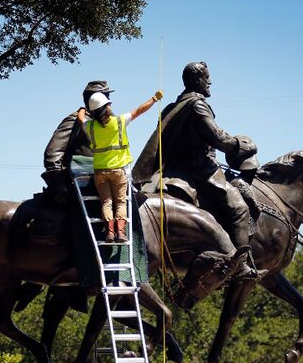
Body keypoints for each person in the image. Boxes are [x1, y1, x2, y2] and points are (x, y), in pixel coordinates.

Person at [132, 61, 263, 281]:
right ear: (196, 80)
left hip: (177, 165)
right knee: (239, 207)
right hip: (200, 168)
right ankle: (239, 265)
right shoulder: (196, 105)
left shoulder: (175, 104)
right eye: (206, 77)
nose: (210, 81)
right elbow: (218, 138)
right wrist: (243, 146)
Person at [77, 88, 163, 242]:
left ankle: (110, 233)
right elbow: (139, 110)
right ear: (107, 107)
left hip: (100, 173)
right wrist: (154, 99)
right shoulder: (119, 121)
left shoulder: (90, 126)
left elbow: (80, 118)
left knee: (106, 202)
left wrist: (82, 109)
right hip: (118, 171)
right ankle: (121, 232)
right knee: (121, 202)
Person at [41, 81, 114, 203]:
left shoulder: (104, 123)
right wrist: (58, 184)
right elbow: (53, 153)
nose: (109, 102)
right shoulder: (75, 120)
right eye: (106, 97)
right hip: (82, 179)